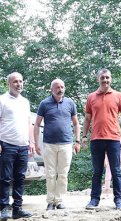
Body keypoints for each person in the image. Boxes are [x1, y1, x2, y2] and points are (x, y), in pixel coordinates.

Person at [81, 68, 121, 210]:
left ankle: (119, 200)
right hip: (96, 139)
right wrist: (84, 136)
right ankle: (94, 200)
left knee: (116, 171)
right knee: (97, 171)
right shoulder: (91, 97)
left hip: (114, 138)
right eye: (102, 78)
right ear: (98, 79)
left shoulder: (118, 95)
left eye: (107, 77)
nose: (105, 80)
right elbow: (87, 118)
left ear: (111, 79)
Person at [0, 72, 34, 221]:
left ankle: (17, 209)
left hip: (23, 145)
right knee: (5, 178)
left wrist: (32, 142)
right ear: (9, 83)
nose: (19, 84)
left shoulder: (25, 102)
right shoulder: (1, 100)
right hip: (7, 145)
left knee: (20, 178)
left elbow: (29, 123)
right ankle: (4, 208)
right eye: (15, 81)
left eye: (21, 81)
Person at [34, 79, 81, 210]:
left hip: (66, 144)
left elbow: (76, 123)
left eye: (62, 87)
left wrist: (77, 141)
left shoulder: (70, 103)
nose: (60, 89)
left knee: (63, 174)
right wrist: (36, 143)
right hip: (49, 144)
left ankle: (59, 201)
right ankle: (50, 201)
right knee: (50, 174)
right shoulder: (44, 104)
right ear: (52, 89)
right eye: (57, 87)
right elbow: (37, 124)